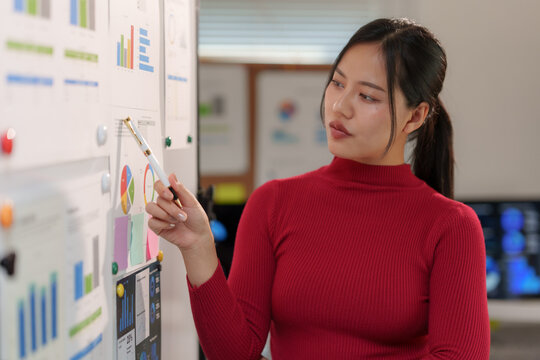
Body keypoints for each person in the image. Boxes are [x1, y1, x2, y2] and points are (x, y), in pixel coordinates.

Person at [146, 17, 490, 359]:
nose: (339, 107)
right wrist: (198, 247)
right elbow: (237, 353)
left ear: (415, 117)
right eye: (337, 83)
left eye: (368, 96)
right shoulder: (273, 203)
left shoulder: (451, 226)